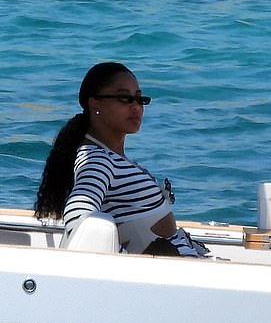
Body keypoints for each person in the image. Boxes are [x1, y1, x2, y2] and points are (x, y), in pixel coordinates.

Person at [35, 62, 210, 258]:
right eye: (125, 98)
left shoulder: (111, 155)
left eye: (139, 99)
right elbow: (78, 214)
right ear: (95, 104)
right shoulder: (97, 159)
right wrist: (128, 263)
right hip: (169, 273)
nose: (136, 107)